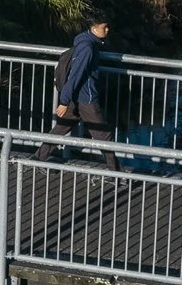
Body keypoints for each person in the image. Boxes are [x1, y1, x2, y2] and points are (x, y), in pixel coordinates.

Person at [37, 14, 120, 170]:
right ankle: (117, 172)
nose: (107, 30)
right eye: (104, 27)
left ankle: (38, 158)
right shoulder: (88, 48)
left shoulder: (84, 40)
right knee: (103, 135)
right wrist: (64, 101)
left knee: (61, 128)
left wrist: (67, 99)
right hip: (86, 99)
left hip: (77, 97)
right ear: (94, 28)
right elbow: (76, 74)